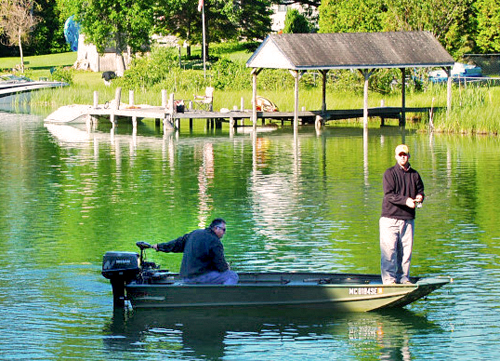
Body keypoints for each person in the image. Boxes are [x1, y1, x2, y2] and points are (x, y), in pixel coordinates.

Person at [380, 144, 425, 285]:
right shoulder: (389, 173)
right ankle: (389, 281)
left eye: (404, 154)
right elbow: (389, 195)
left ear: (409, 156)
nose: (403, 157)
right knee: (389, 252)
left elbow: (420, 190)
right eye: (400, 155)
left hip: (408, 220)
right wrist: (406, 201)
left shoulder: (415, 175)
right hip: (389, 219)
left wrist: (419, 197)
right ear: (396, 156)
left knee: (406, 253)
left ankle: (404, 279)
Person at [152, 218, 238, 285]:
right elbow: (221, 267)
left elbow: (176, 244)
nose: (224, 233)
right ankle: (224, 297)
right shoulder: (215, 241)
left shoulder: (194, 233)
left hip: (185, 277)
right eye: (224, 230)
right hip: (198, 278)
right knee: (232, 275)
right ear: (216, 228)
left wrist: (159, 246)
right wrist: (227, 267)